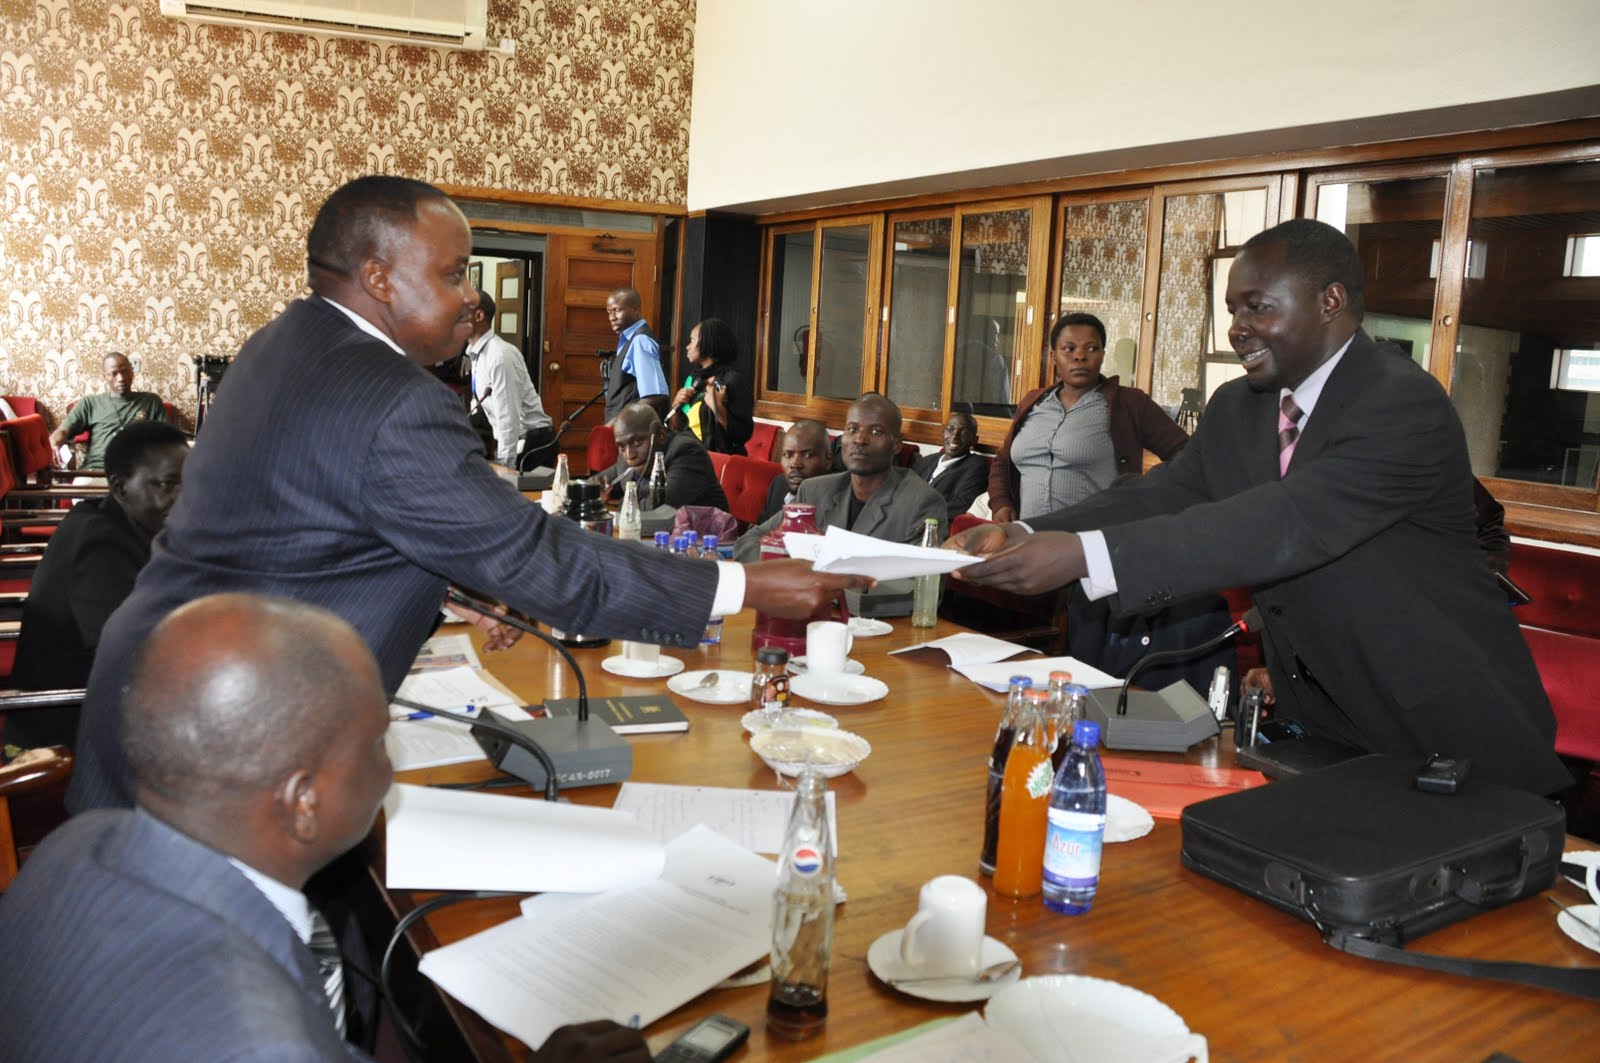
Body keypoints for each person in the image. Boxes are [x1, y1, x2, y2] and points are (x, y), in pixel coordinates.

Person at [68, 176, 861, 813]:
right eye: (452, 273)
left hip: (163, 694)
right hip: (216, 746)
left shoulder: (286, 342)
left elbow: (305, 526)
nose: (468, 297)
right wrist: (749, 585)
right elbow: (540, 556)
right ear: (378, 277)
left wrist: (448, 581)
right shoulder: (390, 397)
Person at [952, 218, 1567, 795]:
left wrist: (1085, 556)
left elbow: (1287, 520)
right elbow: (1165, 491)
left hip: (1440, 725)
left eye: (1257, 307)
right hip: (1319, 719)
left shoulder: (1402, 402)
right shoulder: (1241, 406)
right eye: (1232, 310)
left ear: (1330, 301)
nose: (1237, 328)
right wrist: (1027, 531)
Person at [0, 593, 649, 1063]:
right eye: (376, 743)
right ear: (303, 801)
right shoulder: (262, 1044)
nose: (388, 767)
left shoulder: (73, 844)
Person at [7, 421, 188, 747]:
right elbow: (129, 658)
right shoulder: (100, 544)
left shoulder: (118, 520)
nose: (183, 498)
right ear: (120, 487)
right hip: (60, 738)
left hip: (98, 707)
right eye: (166, 485)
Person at [736, 394, 945, 616]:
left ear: (896, 445)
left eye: (876, 432)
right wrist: (794, 572)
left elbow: (920, 591)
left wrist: (817, 582)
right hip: (807, 617)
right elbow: (747, 543)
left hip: (879, 630)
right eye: (852, 429)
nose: (860, 440)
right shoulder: (815, 490)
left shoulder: (921, 503)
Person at [987, 312, 1188, 523]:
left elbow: (1186, 454)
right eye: (1069, 348)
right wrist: (1001, 502)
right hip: (1028, 536)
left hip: (1095, 537)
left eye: (1091, 349)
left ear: (1102, 355)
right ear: (1053, 356)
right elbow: (1003, 460)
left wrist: (1147, 496)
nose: (1080, 356)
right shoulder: (1033, 402)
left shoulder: (1129, 403)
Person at [466, 288, 555, 470]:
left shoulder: (500, 356)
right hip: (516, 442)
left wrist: (505, 468)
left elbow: (508, 418)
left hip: (533, 445)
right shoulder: (478, 354)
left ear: (479, 316)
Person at [48, 351, 170, 470]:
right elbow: (63, 431)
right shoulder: (90, 403)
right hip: (97, 469)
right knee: (84, 482)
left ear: (132, 372)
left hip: (137, 471)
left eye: (124, 371)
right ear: (105, 376)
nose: (121, 378)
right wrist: (53, 443)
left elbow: (167, 439)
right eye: (113, 374)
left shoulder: (151, 402)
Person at [600, 402, 729, 511]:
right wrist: (597, 493)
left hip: (704, 532)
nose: (630, 454)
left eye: (637, 442)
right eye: (621, 446)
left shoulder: (687, 453)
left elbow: (659, 507)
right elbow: (597, 483)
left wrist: (623, 503)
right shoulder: (627, 456)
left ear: (661, 435)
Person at [668, 317, 752, 454]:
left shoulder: (733, 380)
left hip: (720, 460)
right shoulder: (693, 379)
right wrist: (676, 404)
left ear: (707, 343)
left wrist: (717, 408)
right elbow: (678, 428)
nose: (687, 347)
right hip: (690, 454)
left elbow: (743, 434)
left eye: (692, 340)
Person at [603, 287, 669, 423]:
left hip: (630, 429)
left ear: (635, 309)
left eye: (617, 310)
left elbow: (654, 395)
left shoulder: (640, 340)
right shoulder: (629, 339)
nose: (611, 318)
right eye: (609, 312)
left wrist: (616, 423)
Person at [912, 410, 989, 522]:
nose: (954, 436)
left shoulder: (977, 467)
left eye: (963, 432)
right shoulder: (927, 460)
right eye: (950, 429)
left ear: (974, 440)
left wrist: (922, 513)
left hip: (935, 523)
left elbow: (963, 504)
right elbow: (906, 490)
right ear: (943, 433)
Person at [759, 418, 833, 522]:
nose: (795, 464)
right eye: (787, 455)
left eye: (808, 455)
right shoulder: (778, 484)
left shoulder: (839, 500)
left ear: (828, 460)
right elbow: (762, 528)